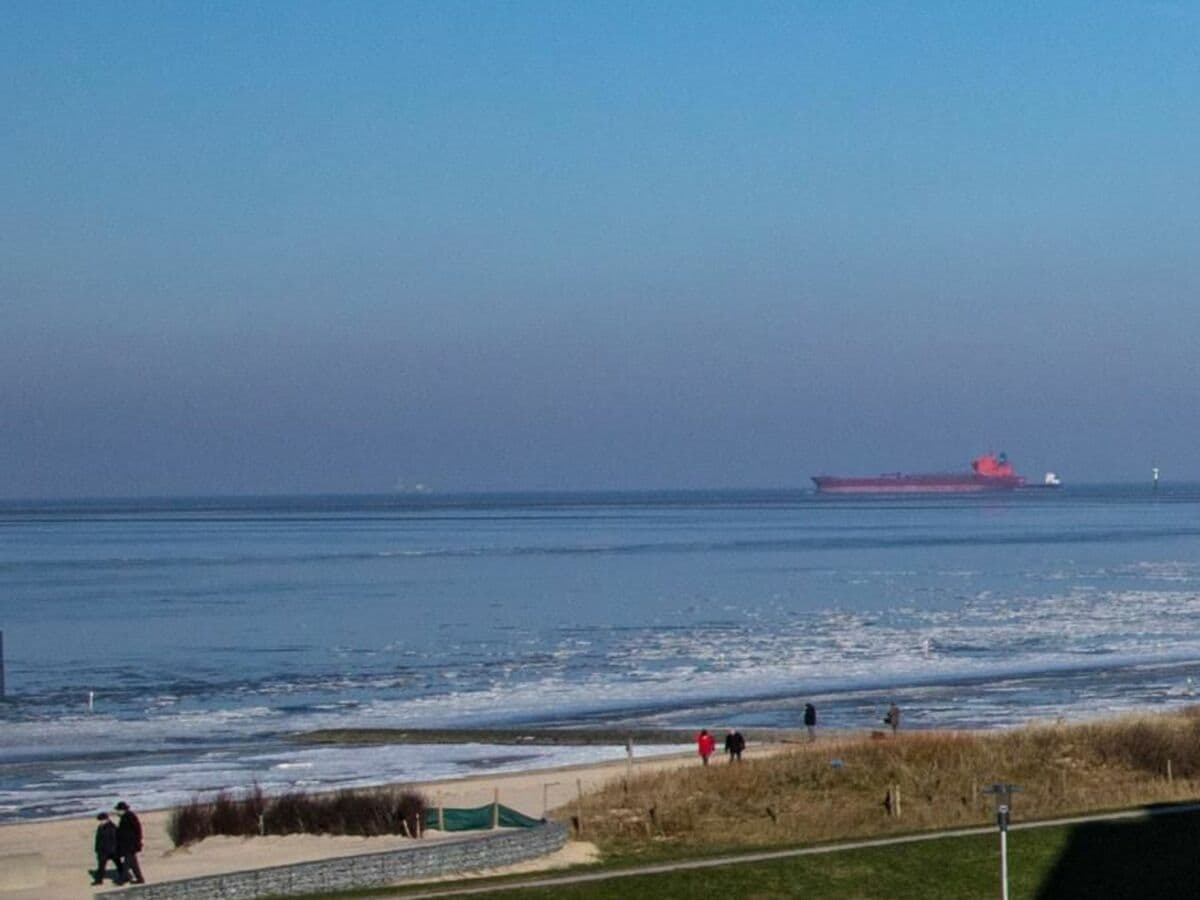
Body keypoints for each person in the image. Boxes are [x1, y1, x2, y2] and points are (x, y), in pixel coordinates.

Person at [115, 800, 145, 885]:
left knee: (127, 863)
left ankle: (122, 879)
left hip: (131, 844)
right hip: (128, 844)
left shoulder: (130, 816)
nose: (117, 812)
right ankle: (140, 879)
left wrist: (138, 841)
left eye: (118, 810)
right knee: (133, 863)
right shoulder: (125, 817)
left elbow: (137, 829)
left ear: (122, 810)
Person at [90, 812, 119, 885]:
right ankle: (99, 880)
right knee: (101, 866)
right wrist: (97, 849)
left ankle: (124, 876)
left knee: (118, 864)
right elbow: (98, 839)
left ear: (106, 819)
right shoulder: (100, 827)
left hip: (111, 850)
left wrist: (114, 849)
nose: (101, 822)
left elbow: (114, 839)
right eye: (100, 820)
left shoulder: (112, 827)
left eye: (102, 820)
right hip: (102, 850)